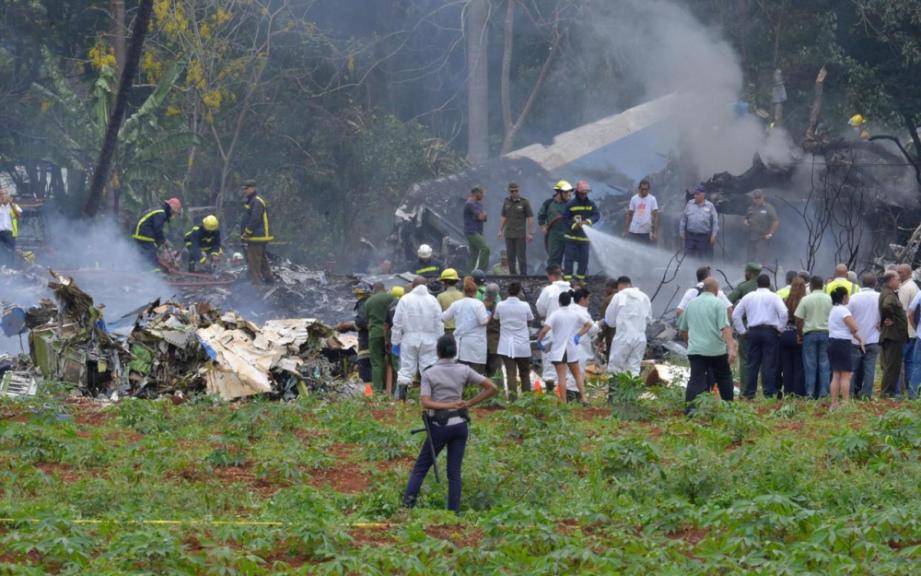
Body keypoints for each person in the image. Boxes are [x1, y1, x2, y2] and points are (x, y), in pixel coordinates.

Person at [401, 334, 497, 513]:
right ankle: (453, 513)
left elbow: (426, 403)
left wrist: (447, 405)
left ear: (437, 352)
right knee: (454, 473)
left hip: (439, 426)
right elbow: (492, 387)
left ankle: (406, 508)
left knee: (420, 468)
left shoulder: (429, 373)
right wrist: (468, 403)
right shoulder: (464, 370)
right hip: (460, 425)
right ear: (455, 351)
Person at [678, 277, 737, 410]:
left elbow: (683, 329)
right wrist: (731, 348)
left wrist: (689, 344)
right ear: (716, 290)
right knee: (724, 377)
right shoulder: (718, 304)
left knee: (696, 380)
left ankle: (690, 410)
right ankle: (729, 407)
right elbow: (725, 327)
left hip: (696, 350)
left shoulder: (691, 304)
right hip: (716, 350)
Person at [732, 274, 787, 399]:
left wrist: (742, 331)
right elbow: (784, 313)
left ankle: (749, 393)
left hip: (753, 332)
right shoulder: (774, 297)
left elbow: (735, 314)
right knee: (769, 363)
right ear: (769, 284)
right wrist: (780, 329)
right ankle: (769, 393)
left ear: (757, 285)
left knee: (752, 363)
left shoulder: (748, 297)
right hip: (770, 332)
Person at [392, 277, 445, 401]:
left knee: (406, 369)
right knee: (429, 368)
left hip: (409, 338)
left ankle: (402, 400)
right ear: (425, 285)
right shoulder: (433, 300)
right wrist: (439, 340)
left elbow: (397, 322)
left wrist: (395, 341)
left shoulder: (405, 299)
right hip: (430, 340)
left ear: (413, 286)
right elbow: (439, 323)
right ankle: (430, 399)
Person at [535, 291, 593, 403]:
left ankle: (563, 401)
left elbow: (545, 329)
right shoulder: (575, 313)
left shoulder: (555, 314)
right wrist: (578, 335)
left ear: (559, 302)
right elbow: (588, 325)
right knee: (577, 375)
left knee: (562, 376)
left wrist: (539, 341)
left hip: (559, 349)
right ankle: (584, 398)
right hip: (571, 348)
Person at [604, 276, 652, 382]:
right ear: (630, 284)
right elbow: (649, 319)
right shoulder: (644, 297)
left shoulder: (618, 296)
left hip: (623, 337)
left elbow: (609, 321)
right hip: (640, 338)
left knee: (615, 367)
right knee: (634, 368)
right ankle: (630, 396)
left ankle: (614, 397)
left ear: (619, 286)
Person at [535, 264, 572, 393]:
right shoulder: (571, 290)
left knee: (550, 366)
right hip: (569, 333)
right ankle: (565, 394)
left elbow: (540, 310)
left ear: (550, 276)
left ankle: (550, 394)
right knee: (566, 366)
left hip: (551, 331)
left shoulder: (548, 290)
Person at [495, 282, 535, 400]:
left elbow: (496, 319)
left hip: (506, 344)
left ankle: (513, 401)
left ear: (508, 291)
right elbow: (530, 320)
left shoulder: (500, 305)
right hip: (522, 344)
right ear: (519, 292)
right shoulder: (525, 305)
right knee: (524, 373)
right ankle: (527, 400)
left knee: (510, 373)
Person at [795, 276, 833, 399]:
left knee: (810, 365)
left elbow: (799, 319)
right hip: (826, 334)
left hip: (809, 334)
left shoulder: (805, 299)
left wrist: (800, 334)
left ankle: (810, 393)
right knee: (824, 364)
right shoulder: (829, 299)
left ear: (811, 285)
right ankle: (824, 392)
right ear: (822, 285)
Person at [442, 277, 489, 373]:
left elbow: (443, 317)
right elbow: (483, 321)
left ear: (463, 291)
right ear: (475, 292)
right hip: (476, 344)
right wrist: (490, 315)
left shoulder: (456, 304)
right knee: (475, 374)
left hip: (461, 343)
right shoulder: (479, 304)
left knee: (461, 373)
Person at [729, 263, 762, 392]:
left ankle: (745, 390)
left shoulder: (743, 287)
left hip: (747, 329)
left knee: (745, 360)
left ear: (749, 273)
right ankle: (765, 391)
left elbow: (728, 301)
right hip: (766, 329)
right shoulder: (768, 286)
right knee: (764, 361)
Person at [828, 287, 864, 408]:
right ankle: (845, 402)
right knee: (846, 375)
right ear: (844, 297)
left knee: (836, 374)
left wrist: (859, 339)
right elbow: (854, 328)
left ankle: (834, 403)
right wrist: (857, 334)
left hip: (832, 342)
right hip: (843, 344)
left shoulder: (834, 310)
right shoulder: (844, 311)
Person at [848, 273, 881, 399]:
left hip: (855, 338)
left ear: (862, 283)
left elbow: (846, 316)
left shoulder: (854, 298)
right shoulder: (880, 297)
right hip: (873, 338)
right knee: (869, 369)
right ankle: (866, 394)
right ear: (875, 283)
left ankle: (850, 394)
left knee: (853, 368)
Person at [336, 283, 373, 388]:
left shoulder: (364, 302)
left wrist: (347, 326)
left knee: (365, 368)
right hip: (377, 340)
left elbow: (361, 322)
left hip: (367, 341)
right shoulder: (374, 302)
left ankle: (369, 396)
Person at [562, 180, 600, 282]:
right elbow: (565, 218)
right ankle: (568, 280)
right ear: (577, 192)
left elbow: (596, 215)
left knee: (583, 260)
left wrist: (588, 221)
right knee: (569, 260)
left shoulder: (591, 204)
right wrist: (574, 225)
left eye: (586, 193)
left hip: (584, 239)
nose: (584, 195)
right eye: (582, 193)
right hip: (571, 238)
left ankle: (580, 280)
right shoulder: (570, 204)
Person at [879, 270, 908, 398]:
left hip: (891, 334)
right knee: (892, 366)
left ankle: (888, 392)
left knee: (890, 365)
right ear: (890, 281)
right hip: (893, 334)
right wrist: (891, 318)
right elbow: (886, 306)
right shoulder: (890, 294)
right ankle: (887, 393)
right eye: (897, 279)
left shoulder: (887, 292)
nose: (899, 281)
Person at [131, 197, 183, 269]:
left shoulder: (159, 211)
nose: (173, 215)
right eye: (174, 213)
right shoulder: (161, 213)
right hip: (143, 233)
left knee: (143, 254)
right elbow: (157, 230)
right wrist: (163, 241)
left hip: (139, 233)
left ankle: (139, 270)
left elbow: (157, 230)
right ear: (170, 210)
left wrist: (162, 242)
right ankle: (155, 274)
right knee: (151, 254)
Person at [240, 180, 273, 285]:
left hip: (256, 237)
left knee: (254, 263)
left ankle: (256, 287)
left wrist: (247, 232)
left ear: (253, 188)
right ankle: (269, 280)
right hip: (258, 237)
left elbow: (255, 219)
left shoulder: (256, 201)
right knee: (262, 259)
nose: (244, 191)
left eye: (246, 188)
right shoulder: (253, 201)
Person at [364, 283, 396, 394]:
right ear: (384, 288)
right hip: (391, 334)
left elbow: (367, 319)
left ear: (374, 290)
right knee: (393, 362)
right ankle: (395, 390)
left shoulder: (369, 301)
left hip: (375, 334)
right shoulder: (391, 298)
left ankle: (378, 391)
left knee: (377, 363)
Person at [779, 277, 807, 397]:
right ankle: (798, 392)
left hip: (785, 335)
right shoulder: (804, 301)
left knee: (786, 366)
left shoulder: (785, 300)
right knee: (798, 365)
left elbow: (781, 317)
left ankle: (788, 391)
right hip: (798, 335)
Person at [498, 182, 534, 274]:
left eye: (516, 191)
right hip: (509, 233)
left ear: (519, 190)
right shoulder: (506, 201)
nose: (514, 193)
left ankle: (523, 275)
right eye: (512, 191)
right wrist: (500, 230)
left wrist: (530, 233)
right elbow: (504, 216)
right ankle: (513, 275)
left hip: (520, 234)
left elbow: (530, 217)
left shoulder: (524, 202)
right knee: (510, 256)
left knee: (521, 256)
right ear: (509, 192)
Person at [537, 180, 573, 267]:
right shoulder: (548, 203)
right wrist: (543, 226)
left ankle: (567, 277)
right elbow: (541, 216)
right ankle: (554, 277)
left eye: (569, 192)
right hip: (554, 235)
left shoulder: (571, 204)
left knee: (569, 258)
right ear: (559, 192)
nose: (569, 194)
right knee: (554, 257)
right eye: (566, 192)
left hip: (569, 234)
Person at [573, 288, 600, 401]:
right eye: (588, 299)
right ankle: (578, 397)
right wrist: (600, 323)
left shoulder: (570, 309)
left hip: (570, 346)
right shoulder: (583, 312)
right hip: (580, 346)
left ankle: (575, 396)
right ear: (582, 299)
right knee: (578, 373)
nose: (589, 301)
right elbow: (592, 330)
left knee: (571, 373)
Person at [679, 184, 718, 259]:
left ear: (703, 195)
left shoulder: (710, 206)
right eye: (695, 194)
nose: (695, 196)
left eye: (698, 194)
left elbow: (715, 222)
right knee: (688, 257)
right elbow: (683, 219)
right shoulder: (690, 203)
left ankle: (701, 270)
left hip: (703, 237)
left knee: (702, 258)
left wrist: (713, 235)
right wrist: (681, 231)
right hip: (690, 236)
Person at [897, 264, 919, 393]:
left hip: (905, 332)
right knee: (910, 363)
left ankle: (898, 392)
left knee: (898, 363)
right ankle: (912, 392)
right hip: (913, 332)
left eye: (901, 273)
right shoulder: (915, 286)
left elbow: (902, 311)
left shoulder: (905, 288)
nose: (898, 275)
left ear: (908, 273)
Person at [743, 190, 779, 263]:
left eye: (759, 197)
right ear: (753, 199)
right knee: (750, 259)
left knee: (762, 259)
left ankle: (764, 273)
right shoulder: (751, 208)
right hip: (752, 237)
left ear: (763, 197)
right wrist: (746, 222)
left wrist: (770, 234)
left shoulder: (768, 208)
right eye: (756, 198)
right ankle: (750, 274)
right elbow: (746, 219)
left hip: (763, 237)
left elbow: (775, 221)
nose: (758, 200)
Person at [483, 283, 504, 394]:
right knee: (496, 371)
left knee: (482, 371)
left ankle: (483, 395)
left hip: (481, 342)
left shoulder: (480, 306)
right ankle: (498, 394)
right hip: (495, 342)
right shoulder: (500, 307)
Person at [384, 286, 405, 397]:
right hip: (405, 337)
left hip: (393, 338)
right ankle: (402, 391)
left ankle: (395, 392)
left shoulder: (390, 306)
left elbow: (386, 325)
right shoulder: (406, 305)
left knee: (395, 363)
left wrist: (386, 340)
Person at [464, 186, 489, 273]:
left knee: (474, 254)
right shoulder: (470, 203)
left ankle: (467, 274)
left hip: (478, 231)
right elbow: (481, 216)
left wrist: (483, 216)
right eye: (482, 193)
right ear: (476, 193)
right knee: (485, 249)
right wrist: (483, 215)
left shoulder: (478, 204)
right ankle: (481, 271)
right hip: (472, 232)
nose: (483, 195)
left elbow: (485, 219)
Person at [0, 189, 22, 268]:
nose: (2, 196)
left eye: (4, 194)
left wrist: (11, 204)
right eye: (1, 194)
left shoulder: (14, 206)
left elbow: (19, 215)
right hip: (0, 234)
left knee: (10, 254)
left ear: (8, 196)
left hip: (10, 234)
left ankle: (10, 270)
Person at [436, 268, 463, 334]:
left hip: (446, 331)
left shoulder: (440, 296)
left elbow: (437, 315)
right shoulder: (462, 295)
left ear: (446, 282)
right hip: (461, 330)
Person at [601, 278, 618, 359]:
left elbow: (605, 321)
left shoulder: (608, 300)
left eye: (606, 288)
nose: (605, 290)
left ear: (610, 288)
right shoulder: (626, 298)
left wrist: (600, 338)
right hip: (626, 337)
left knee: (611, 361)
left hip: (612, 336)